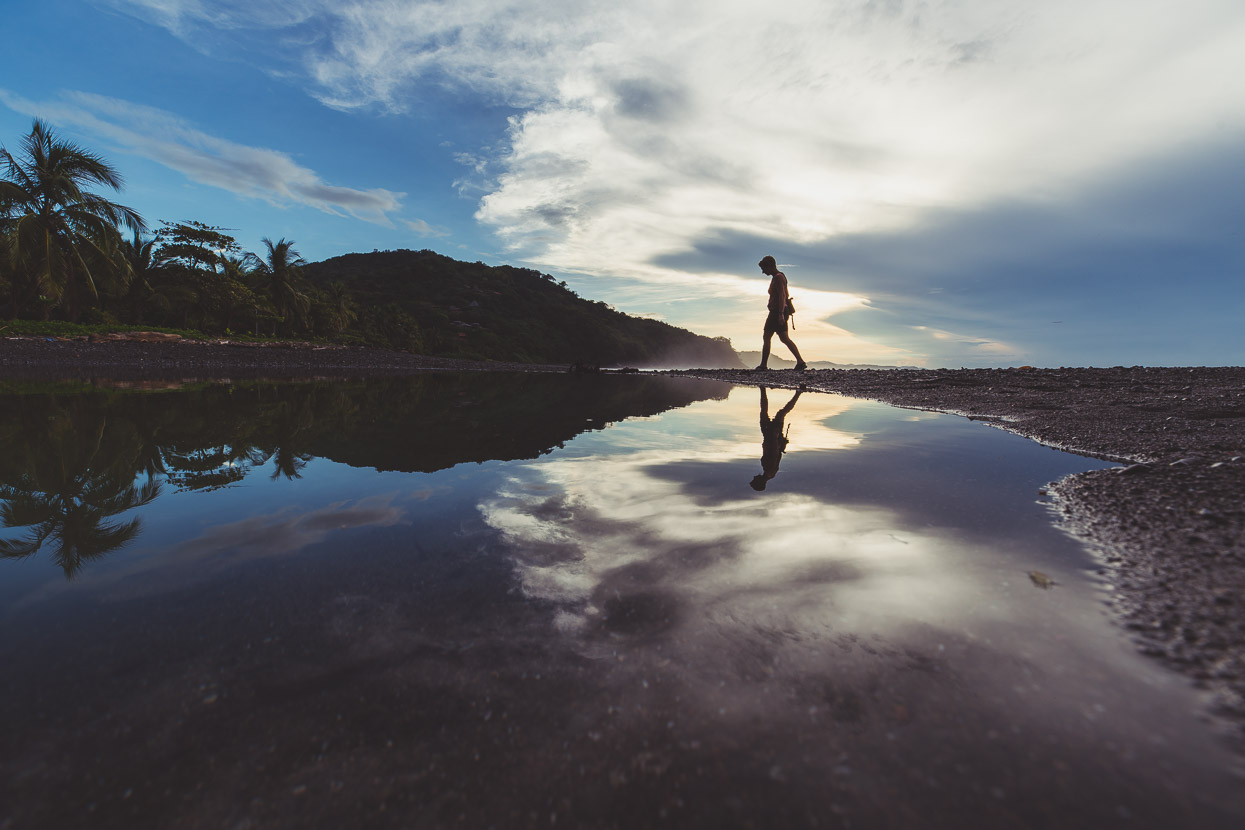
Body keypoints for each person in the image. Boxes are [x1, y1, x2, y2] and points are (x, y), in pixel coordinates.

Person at [755, 255, 807, 371]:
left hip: (777, 312)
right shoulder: (777, 277)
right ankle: (800, 361)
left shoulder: (778, 277)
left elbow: (782, 296)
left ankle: (763, 365)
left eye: (764, 269)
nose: (763, 272)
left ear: (770, 266)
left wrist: (780, 314)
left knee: (768, 336)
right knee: (783, 338)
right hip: (779, 311)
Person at [750, 385, 803, 491]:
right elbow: (774, 453)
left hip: (770, 436)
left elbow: (776, 454)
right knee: (779, 413)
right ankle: (798, 392)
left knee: (777, 413)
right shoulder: (769, 471)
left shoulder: (770, 473)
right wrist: (775, 437)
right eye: (754, 480)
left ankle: (763, 388)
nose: (754, 477)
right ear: (760, 482)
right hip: (771, 436)